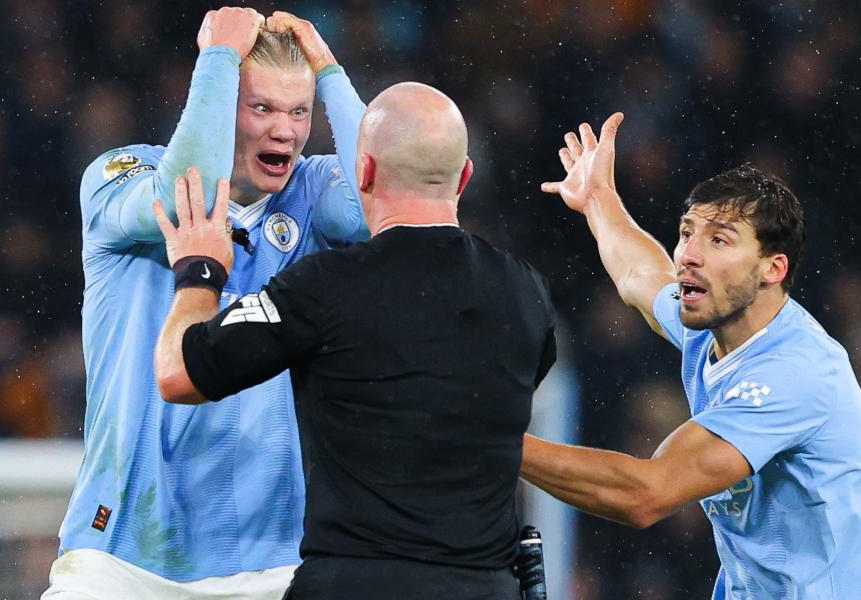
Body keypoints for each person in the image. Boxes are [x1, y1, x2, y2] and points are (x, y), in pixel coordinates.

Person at [152, 82, 557, 599]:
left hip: (354, 582)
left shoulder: (324, 287)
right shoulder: (525, 291)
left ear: (362, 171)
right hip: (484, 586)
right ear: (465, 176)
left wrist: (199, 273)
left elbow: (178, 373)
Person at [45, 8, 367, 599]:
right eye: (262, 108)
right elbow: (185, 190)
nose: (286, 132)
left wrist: (329, 71)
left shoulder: (309, 192)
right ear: (217, 101)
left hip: (269, 563)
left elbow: (378, 204)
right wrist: (218, 57)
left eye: (298, 112)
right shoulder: (120, 175)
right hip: (121, 556)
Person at [521, 114, 861, 598]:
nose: (689, 253)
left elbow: (645, 494)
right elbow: (639, 276)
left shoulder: (796, 374)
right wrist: (598, 199)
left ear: (773, 269)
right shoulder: (713, 323)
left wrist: (491, 438)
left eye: (719, 240)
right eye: (687, 232)